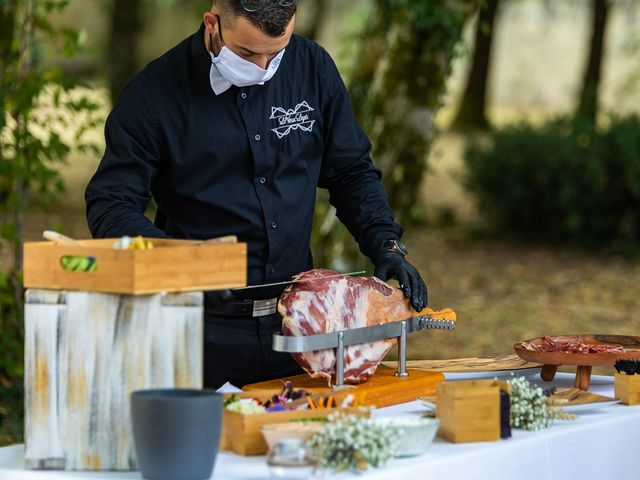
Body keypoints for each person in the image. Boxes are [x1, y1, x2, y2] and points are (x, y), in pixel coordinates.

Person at [85, 0, 428, 389]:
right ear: (212, 24)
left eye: (276, 53)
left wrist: (384, 242)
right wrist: (182, 267)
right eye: (248, 53)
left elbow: (350, 171)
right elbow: (110, 204)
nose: (264, 69)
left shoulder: (312, 68)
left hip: (303, 326)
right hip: (198, 328)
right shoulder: (154, 94)